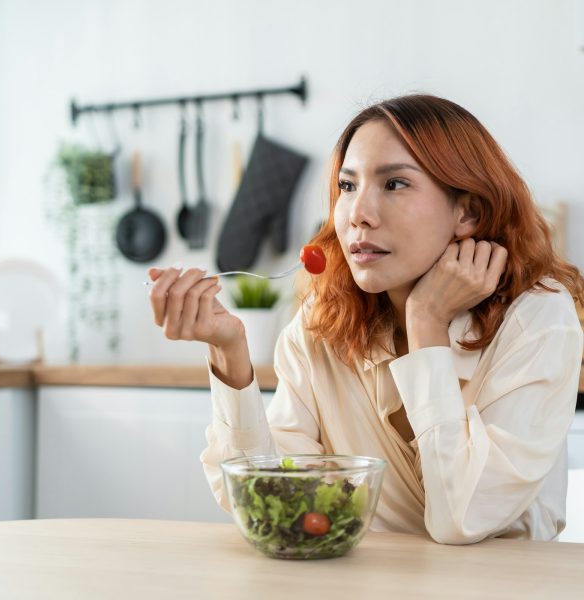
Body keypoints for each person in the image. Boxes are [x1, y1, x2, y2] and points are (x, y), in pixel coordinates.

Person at [148, 94, 584, 545]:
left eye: (395, 184)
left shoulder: (538, 319)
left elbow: (463, 519)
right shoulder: (323, 321)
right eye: (348, 186)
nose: (358, 214)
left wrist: (427, 322)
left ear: (467, 212)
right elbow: (269, 502)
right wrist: (229, 350)